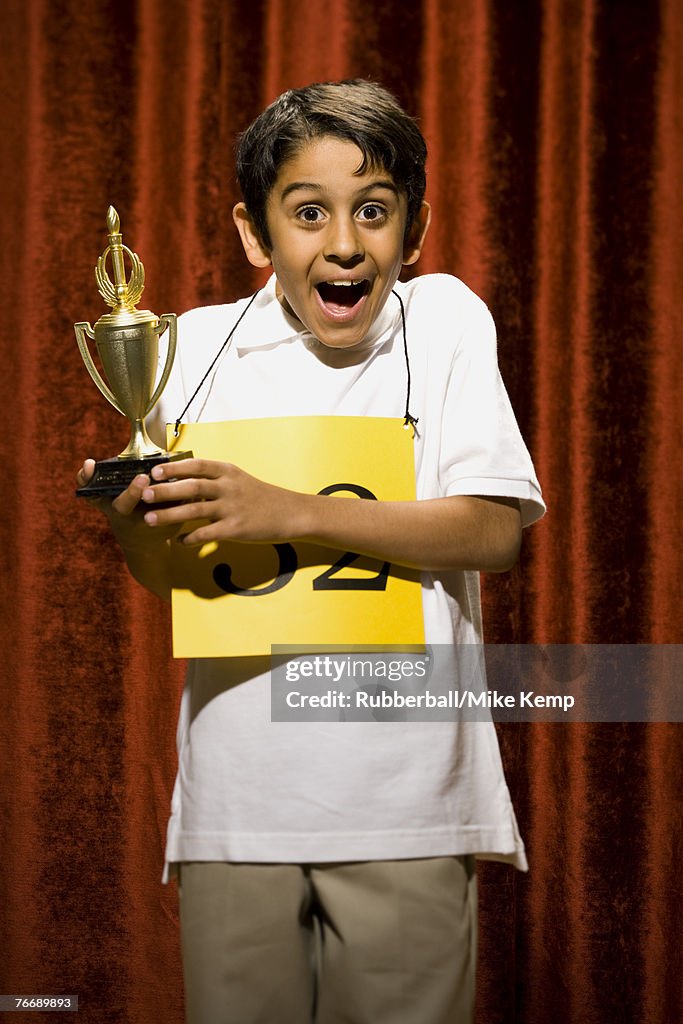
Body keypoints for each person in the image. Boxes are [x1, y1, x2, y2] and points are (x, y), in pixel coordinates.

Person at [78, 79, 544, 1024]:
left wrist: (284, 510)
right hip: (236, 806)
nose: (343, 242)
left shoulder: (444, 320)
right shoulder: (191, 347)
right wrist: (134, 513)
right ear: (256, 235)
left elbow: (493, 529)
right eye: (307, 213)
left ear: (411, 234)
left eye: (372, 211)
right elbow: (170, 571)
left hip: (406, 804)